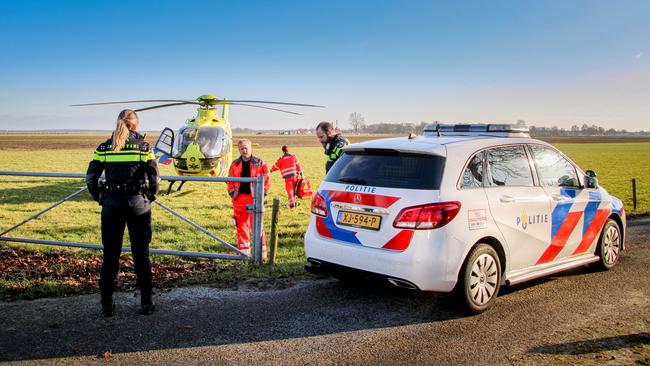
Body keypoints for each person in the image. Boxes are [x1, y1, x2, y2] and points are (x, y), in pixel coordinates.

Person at [86, 109, 159, 317]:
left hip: (112, 205)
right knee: (141, 256)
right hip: (138, 205)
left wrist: (100, 197)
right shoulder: (144, 147)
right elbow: (155, 179)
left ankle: (107, 305)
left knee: (110, 256)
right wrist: (150, 196)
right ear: (135, 126)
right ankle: (146, 303)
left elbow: (91, 178)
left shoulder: (105, 147)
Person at [227, 139, 270, 259]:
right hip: (239, 199)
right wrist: (232, 193)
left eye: (246, 148)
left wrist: (262, 194)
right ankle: (244, 254)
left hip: (255, 198)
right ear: (239, 149)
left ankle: (261, 255)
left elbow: (266, 179)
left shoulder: (259, 162)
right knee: (241, 226)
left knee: (257, 226)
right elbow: (229, 180)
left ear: (251, 148)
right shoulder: (235, 164)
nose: (244, 150)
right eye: (241, 148)